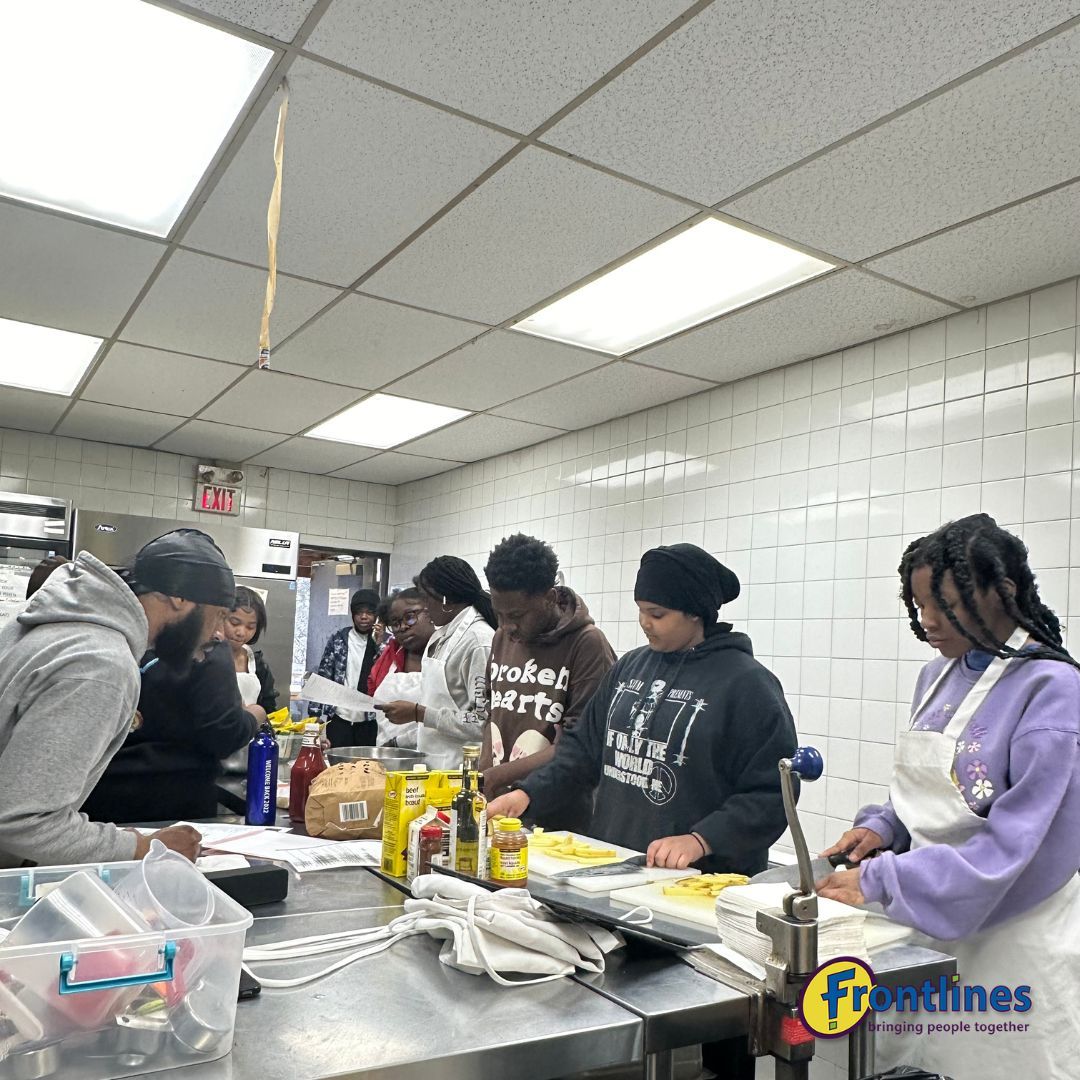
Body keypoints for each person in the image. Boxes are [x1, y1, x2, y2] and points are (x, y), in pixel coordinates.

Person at [818, 515, 1080, 1078]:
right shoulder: (939, 676)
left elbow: (1020, 846)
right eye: (918, 605)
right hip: (931, 921)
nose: (928, 621)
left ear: (1002, 592)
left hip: (1013, 937)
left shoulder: (1052, 693)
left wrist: (882, 880)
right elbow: (948, 794)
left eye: (947, 603)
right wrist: (886, 826)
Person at [488, 543, 796, 875]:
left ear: (694, 611)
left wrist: (700, 839)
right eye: (641, 611)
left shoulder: (747, 685)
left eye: (657, 614)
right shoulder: (630, 669)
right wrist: (527, 794)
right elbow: (581, 752)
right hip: (615, 865)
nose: (644, 623)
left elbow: (774, 793)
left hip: (699, 881)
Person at [0, 529, 235, 867]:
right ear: (180, 598)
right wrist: (140, 847)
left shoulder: (55, 626)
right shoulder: (99, 663)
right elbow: (22, 820)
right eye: (220, 614)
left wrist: (107, 840)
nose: (218, 633)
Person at [481, 534, 616, 830]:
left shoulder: (588, 644)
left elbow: (581, 743)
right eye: (498, 614)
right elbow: (493, 713)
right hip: (499, 809)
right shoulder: (502, 637)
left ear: (550, 598)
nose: (507, 626)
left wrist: (498, 775)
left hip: (556, 815)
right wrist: (483, 774)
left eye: (516, 615)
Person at [83, 637, 259, 823]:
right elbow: (225, 732)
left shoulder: (103, 642)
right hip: (177, 799)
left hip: (98, 797)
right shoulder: (208, 647)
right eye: (223, 616)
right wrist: (254, 716)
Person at [382, 556, 497, 769]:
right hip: (433, 762)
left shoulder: (478, 642)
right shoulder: (441, 635)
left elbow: (483, 723)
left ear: (445, 600)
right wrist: (398, 742)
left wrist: (418, 713)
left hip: (460, 769)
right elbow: (436, 707)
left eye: (426, 599)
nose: (424, 608)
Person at [314, 588, 382, 748]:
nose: (364, 617)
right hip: (339, 716)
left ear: (377, 615)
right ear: (352, 614)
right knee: (336, 765)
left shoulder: (384, 644)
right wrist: (315, 714)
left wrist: (381, 643)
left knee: (366, 767)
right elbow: (324, 675)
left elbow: (387, 677)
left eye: (369, 613)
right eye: (359, 612)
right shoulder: (339, 640)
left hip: (370, 719)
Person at [368, 588, 436, 748]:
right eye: (395, 623)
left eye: (410, 618)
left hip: (435, 760)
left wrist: (399, 742)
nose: (403, 627)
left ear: (431, 613)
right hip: (389, 756)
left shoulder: (447, 658)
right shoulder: (389, 658)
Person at [223, 585, 278, 714]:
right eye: (235, 623)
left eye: (250, 627)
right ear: (220, 617)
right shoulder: (203, 657)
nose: (241, 632)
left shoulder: (258, 665)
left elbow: (269, 708)